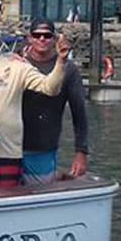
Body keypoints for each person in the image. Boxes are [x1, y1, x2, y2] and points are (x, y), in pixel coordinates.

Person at [0, 18, 69, 188]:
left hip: (6, 153)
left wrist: (61, 61)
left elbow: (49, 88)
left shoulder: (17, 66)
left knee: (5, 205)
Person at [22, 18, 89, 184]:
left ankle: (55, 175)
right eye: (37, 35)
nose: (42, 39)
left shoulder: (69, 69)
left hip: (43, 146)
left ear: (54, 38)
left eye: (47, 35)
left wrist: (81, 152)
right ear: (29, 38)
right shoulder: (17, 64)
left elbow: (79, 112)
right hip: (10, 146)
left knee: (37, 197)